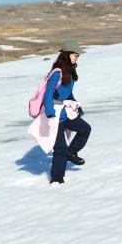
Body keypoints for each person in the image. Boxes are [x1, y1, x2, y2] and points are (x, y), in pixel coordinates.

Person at [44, 40, 92, 184]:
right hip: (55, 116)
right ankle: (57, 180)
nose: (78, 57)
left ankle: (71, 152)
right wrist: (50, 112)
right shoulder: (57, 73)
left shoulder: (69, 71)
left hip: (65, 114)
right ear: (67, 54)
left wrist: (77, 106)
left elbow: (67, 93)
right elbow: (48, 93)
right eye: (76, 55)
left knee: (85, 129)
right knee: (60, 148)